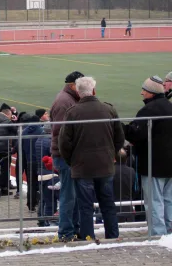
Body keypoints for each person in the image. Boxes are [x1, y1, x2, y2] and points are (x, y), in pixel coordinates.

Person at [59, 76, 124, 240]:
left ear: (79, 93)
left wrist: (71, 161)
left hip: (82, 167)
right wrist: (112, 154)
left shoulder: (72, 113)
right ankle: (112, 235)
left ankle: (88, 237)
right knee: (107, 203)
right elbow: (119, 137)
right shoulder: (108, 109)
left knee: (85, 206)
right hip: (105, 165)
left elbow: (64, 143)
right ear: (94, 91)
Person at [124, 76, 172, 235]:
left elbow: (136, 134)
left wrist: (121, 128)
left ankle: (158, 234)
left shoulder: (149, 110)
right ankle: (169, 230)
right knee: (168, 200)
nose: (141, 93)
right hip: (168, 164)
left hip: (153, 164)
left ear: (151, 92)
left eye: (144, 90)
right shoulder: (168, 106)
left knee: (154, 201)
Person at [50, 70, 84, 241]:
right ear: (73, 85)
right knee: (68, 195)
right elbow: (62, 133)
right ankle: (66, 232)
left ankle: (73, 230)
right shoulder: (65, 102)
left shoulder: (69, 99)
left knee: (73, 195)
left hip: (68, 155)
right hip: (66, 156)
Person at [35, 122, 58, 227]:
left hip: (41, 171)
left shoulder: (39, 140)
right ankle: (48, 220)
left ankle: (41, 218)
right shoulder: (49, 141)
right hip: (49, 172)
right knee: (49, 199)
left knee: (44, 197)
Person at [0, 103, 17, 195]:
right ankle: (4, 189)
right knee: (5, 169)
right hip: (4, 148)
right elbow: (16, 129)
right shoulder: (7, 122)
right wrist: (15, 120)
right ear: (8, 114)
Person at [21, 115, 43, 211]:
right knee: (43, 183)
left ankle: (31, 204)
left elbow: (20, 146)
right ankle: (42, 204)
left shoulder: (24, 131)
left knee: (31, 183)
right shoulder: (41, 131)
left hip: (29, 160)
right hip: (39, 161)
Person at [113, 148, 137, 223]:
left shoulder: (111, 170)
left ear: (114, 159)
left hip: (113, 206)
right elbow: (135, 189)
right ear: (126, 159)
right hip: (128, 207)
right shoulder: (132, 171)